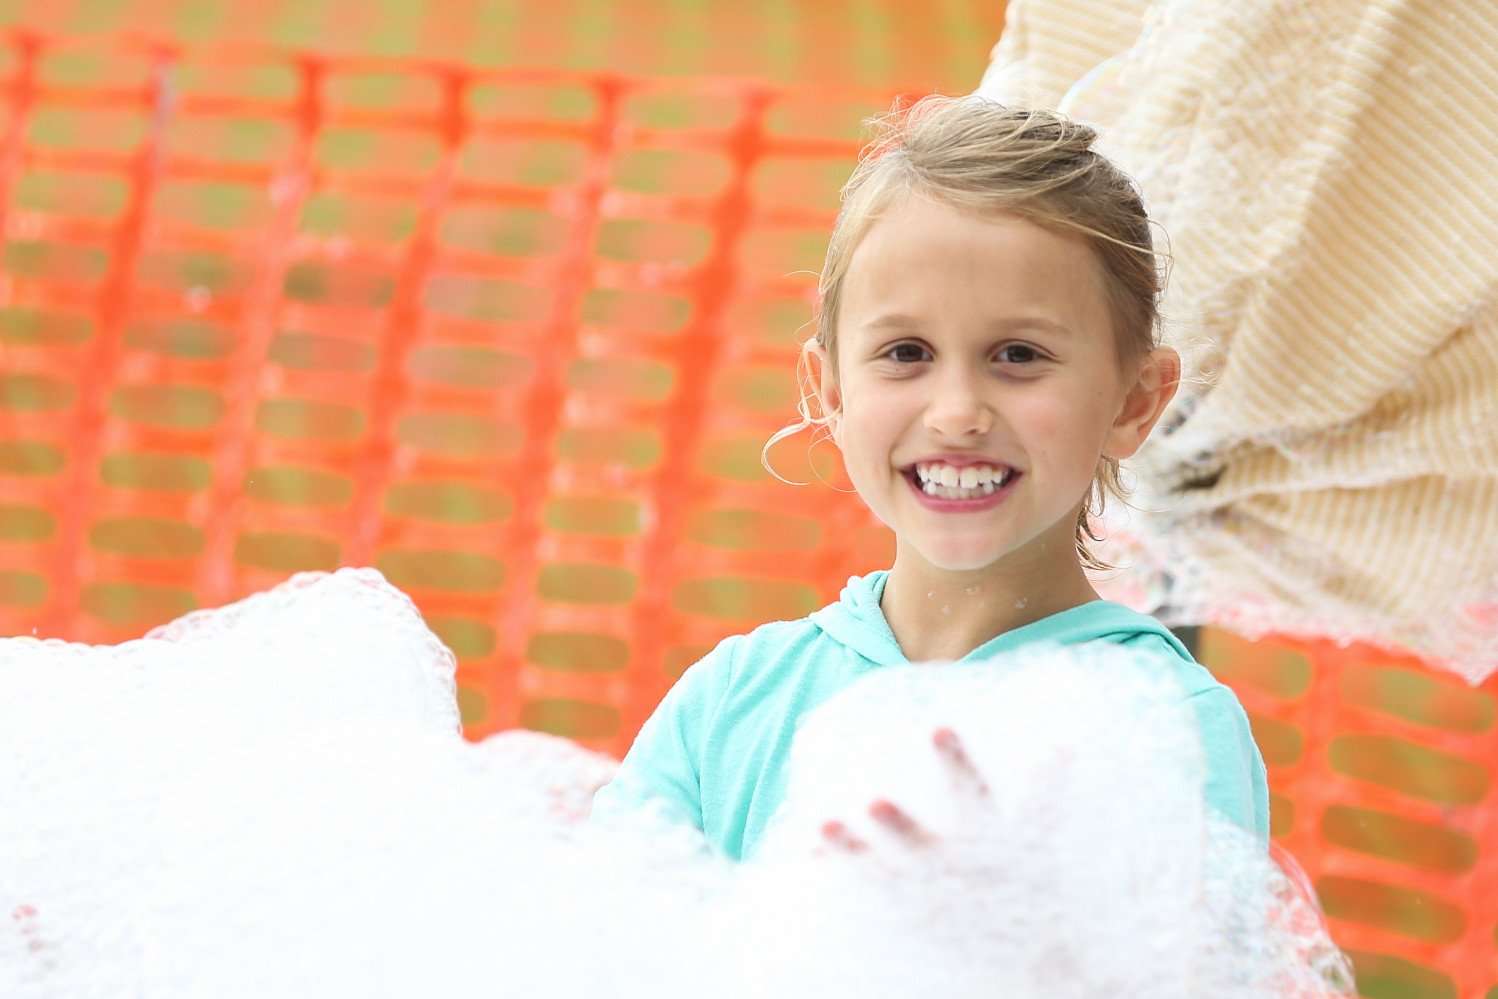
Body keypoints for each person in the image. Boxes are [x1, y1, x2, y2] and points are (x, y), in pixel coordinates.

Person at [590, 95, 1268, 862]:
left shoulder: (1166, 727)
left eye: (1018, 355)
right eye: (906, 353)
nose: (956, 413)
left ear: (1134, 401)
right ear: (831, 391)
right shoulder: (731, 701)